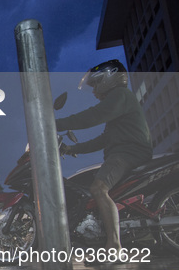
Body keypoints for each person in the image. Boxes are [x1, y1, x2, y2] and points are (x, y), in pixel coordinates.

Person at [56, 59, 152, 253]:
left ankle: (115, 246)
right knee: (90, 187)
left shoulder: (120, 95)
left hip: (128, 153)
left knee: (98, 188)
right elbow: (103, 139)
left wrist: (54, 123)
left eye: (96, 84)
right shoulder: (119, 101)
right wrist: (71, 149)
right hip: (122, 153)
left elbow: (93, 116)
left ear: (108, 78)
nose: (94, 91)